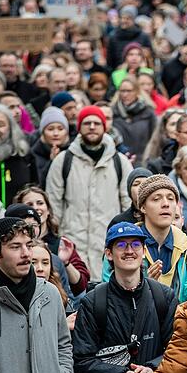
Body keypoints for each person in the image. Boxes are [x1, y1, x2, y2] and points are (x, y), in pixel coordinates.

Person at [73, 222, 178, 373]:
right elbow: (82, 360)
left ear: (144, 251)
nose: (129, 250)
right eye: (121, 245)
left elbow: (177, 350)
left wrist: (152, 368)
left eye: (136, 245)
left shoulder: (164, 296)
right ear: (109, 254)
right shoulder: (93, 301)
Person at [46, 105, 133, 281]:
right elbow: (53, 203)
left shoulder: (120, 162)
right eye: (87, 123)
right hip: (73, 246)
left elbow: (128, 203)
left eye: (96, 123)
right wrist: (59, 235)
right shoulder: (63, 161)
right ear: (79, 128)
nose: (92, 127)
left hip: (108, 245)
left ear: (104, 127)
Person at [0, 217, 73, 373]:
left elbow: (63, 344)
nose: (25, 254)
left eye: (28, 245)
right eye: (15, 247)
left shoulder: (50, 293)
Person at [103, 174, 187, 303]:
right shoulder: (121, 247)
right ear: (143, 207)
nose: (166, 204)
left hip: (179, 322)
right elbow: (111, 298)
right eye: (156, 199)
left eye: (171, 198)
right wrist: (143, 289)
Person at [14, 187, 90, 298]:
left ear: (48, 210)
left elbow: (81, 288)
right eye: (29, 204)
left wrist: (65, 262)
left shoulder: (62, 244)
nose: (35, 208)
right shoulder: (12, 245)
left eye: (40, 203)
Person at [0, 104, 35, 207]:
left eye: (0, 124)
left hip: (18, 221)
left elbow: (35, 190)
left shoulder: (24, 156)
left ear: (11, 129)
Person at [111, 78, 157, 165]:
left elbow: (155, 138)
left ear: (137, 92)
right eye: (122, 91)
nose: (125, 94)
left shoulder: (148, 112)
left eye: (129, 91)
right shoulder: (113, 113)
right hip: (119, 161)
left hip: (143, 161)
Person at [31, 106, 71, 187]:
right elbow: (39, 183)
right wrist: (52, 162)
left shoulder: (73, 152)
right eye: (50, 129)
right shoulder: (33, 154)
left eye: (60, 129)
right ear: (42, 132)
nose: (56, 133)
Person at [107, 5, 153, 71]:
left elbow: (149, 57)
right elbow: (110, 61)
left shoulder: (143, 36)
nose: (123, 21)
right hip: (119, 72)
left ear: (133, 20)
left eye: (127, 18)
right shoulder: (113, 37)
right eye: (122, 18)